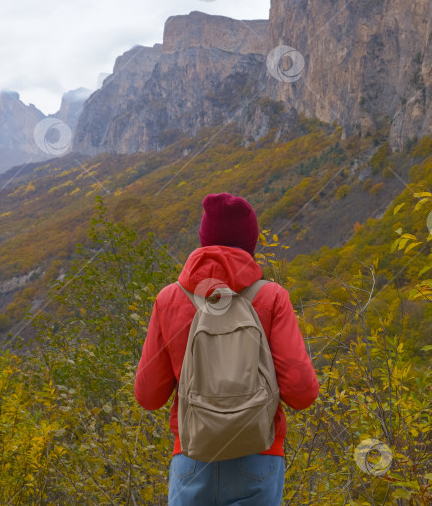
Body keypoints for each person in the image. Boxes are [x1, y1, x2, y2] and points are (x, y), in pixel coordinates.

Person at [134, 192, 320, 505]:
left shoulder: (169, 299)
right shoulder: (272, 298)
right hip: (259, 455)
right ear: (251, 242)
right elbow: (303, 393)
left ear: (203, 239)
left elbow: (148, 396)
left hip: (192, 456)